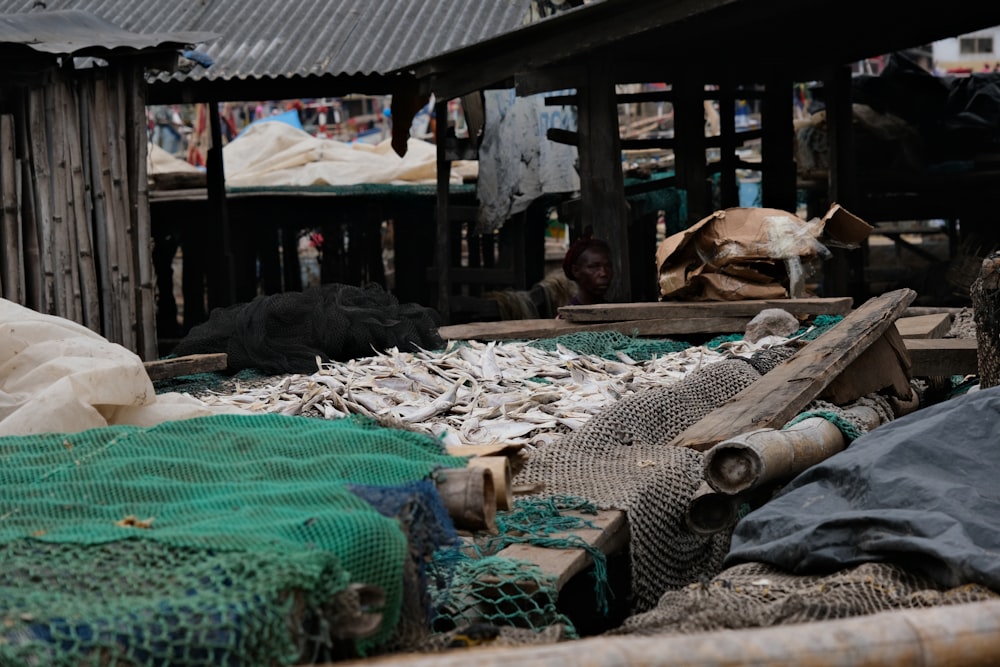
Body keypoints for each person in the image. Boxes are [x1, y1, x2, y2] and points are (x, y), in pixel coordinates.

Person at [562, 234, 613, 306]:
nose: (603, 273)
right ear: (576, 271)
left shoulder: (615, 312)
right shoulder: (568, 315)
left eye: (608, 266)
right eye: (594, 267)